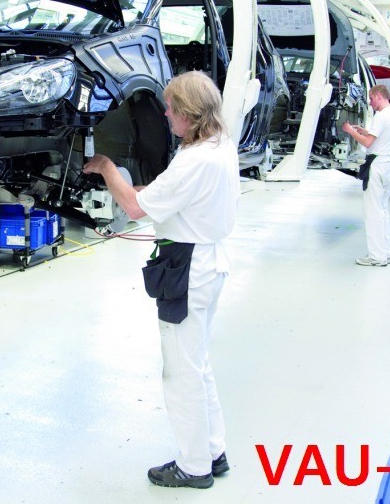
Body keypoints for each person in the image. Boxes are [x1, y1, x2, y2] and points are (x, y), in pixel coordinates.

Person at [82, 71, 240, 489]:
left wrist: (107, 168)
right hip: (207, 261)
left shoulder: (194, 159)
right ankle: (213, 451)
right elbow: (165, 192)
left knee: (180, 373)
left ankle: (194, 466)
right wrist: (130, 186)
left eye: (170, 107)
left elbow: (136, 208)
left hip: (188, 268)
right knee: (197, 363)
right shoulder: (219, 146)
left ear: (188, 112)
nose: (165, 113)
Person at [341, 84, 390, 267]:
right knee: (382, 210)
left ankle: (376, 256)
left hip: (377, 165)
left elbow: (367, 143)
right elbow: (378, 137)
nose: (370, 102)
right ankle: (386, 252)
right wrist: (364, 130)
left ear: (379, 96)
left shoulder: (380, 116)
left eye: (372, 98)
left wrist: (351, 131)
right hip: (388, 164)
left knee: (373, 212)